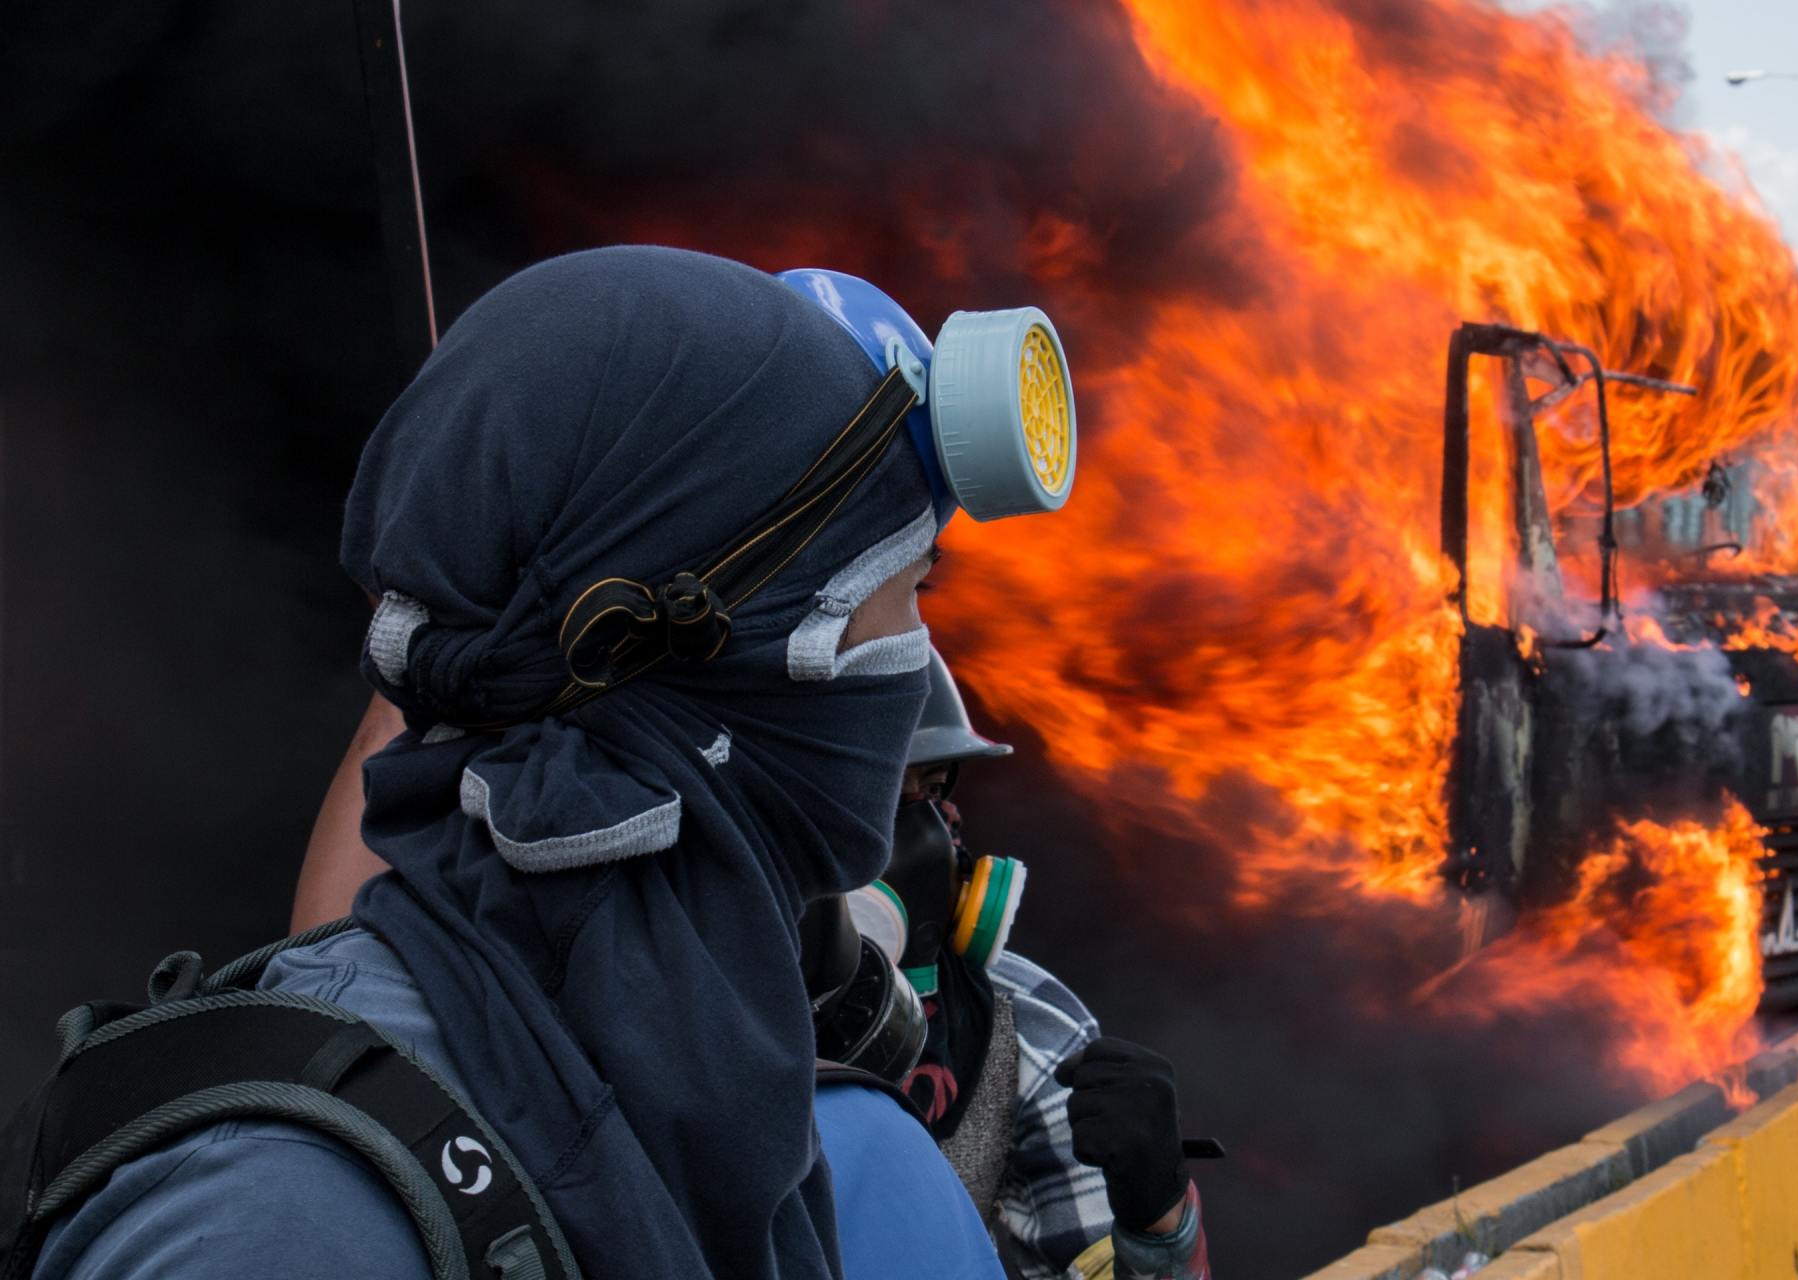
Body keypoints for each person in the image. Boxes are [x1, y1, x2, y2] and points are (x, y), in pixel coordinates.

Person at [16, 245, 1078, 1280]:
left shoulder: (717, 1101)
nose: (915, 663)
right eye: (907, 590)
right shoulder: (285, 1219)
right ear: (711, 645)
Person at [854, 651, 1213, 1280]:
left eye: (936, 791)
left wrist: (1157, 1226)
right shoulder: (683, 1010)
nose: (933, 835)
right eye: (883, 793)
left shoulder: (1023, 1030)